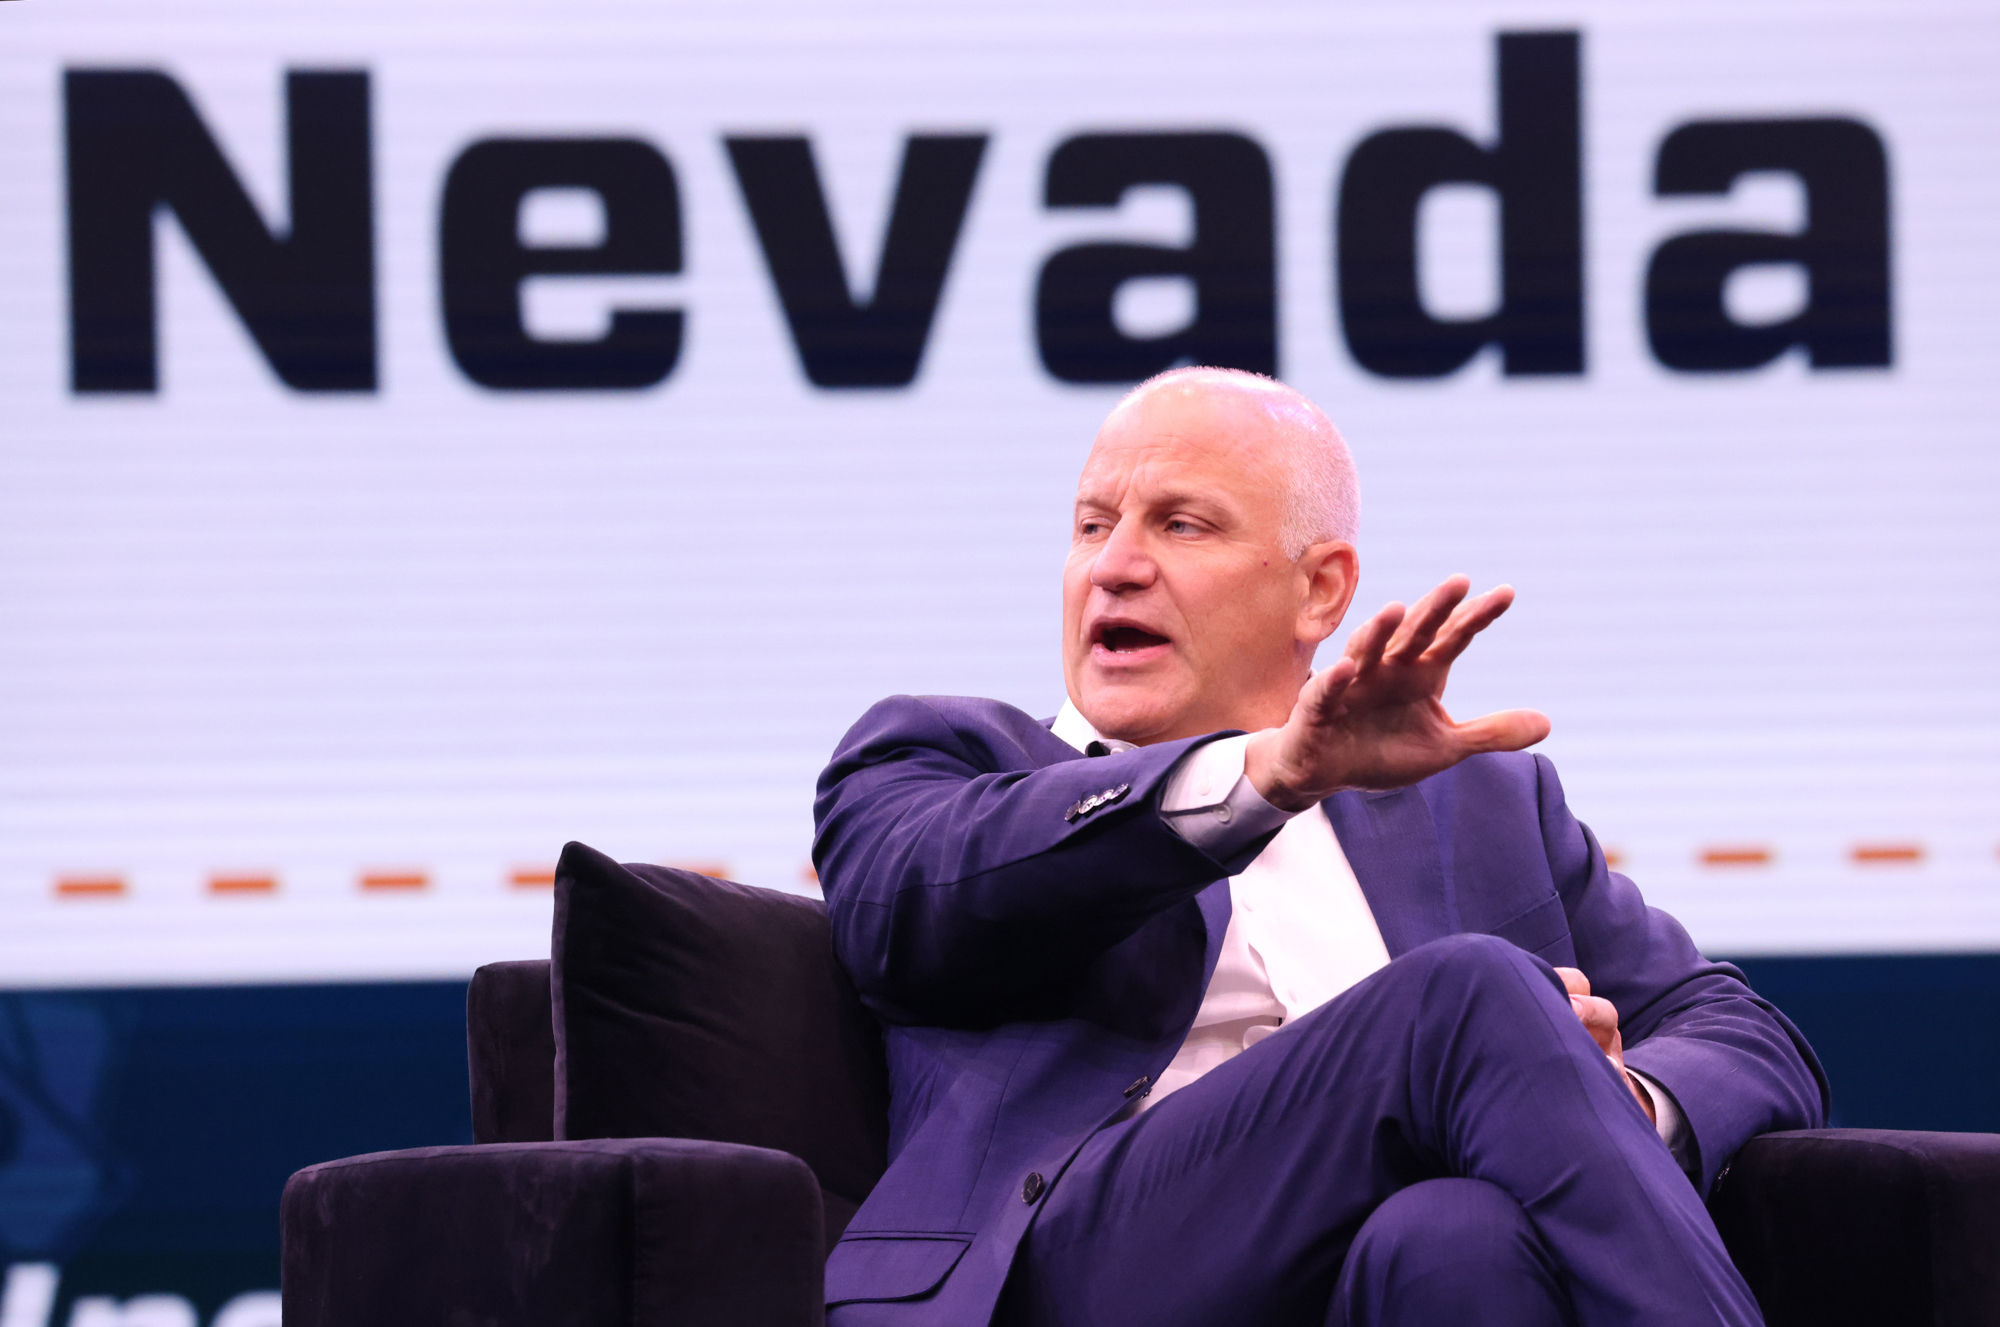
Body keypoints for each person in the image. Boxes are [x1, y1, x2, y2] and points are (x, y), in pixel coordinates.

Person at [811, 367, 1826, 1327]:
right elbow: (913, 907)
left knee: (1455, 1236)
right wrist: (1263, 777)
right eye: (1090, 526)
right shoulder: (947, 763)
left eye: (1179, 523)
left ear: (1319, 592)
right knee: (1467, 995)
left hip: (1360, 1281)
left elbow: (1736, 1029)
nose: (1114, 565)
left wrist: (1617, 1099)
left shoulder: (1480, 805)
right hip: (1070, 1268)